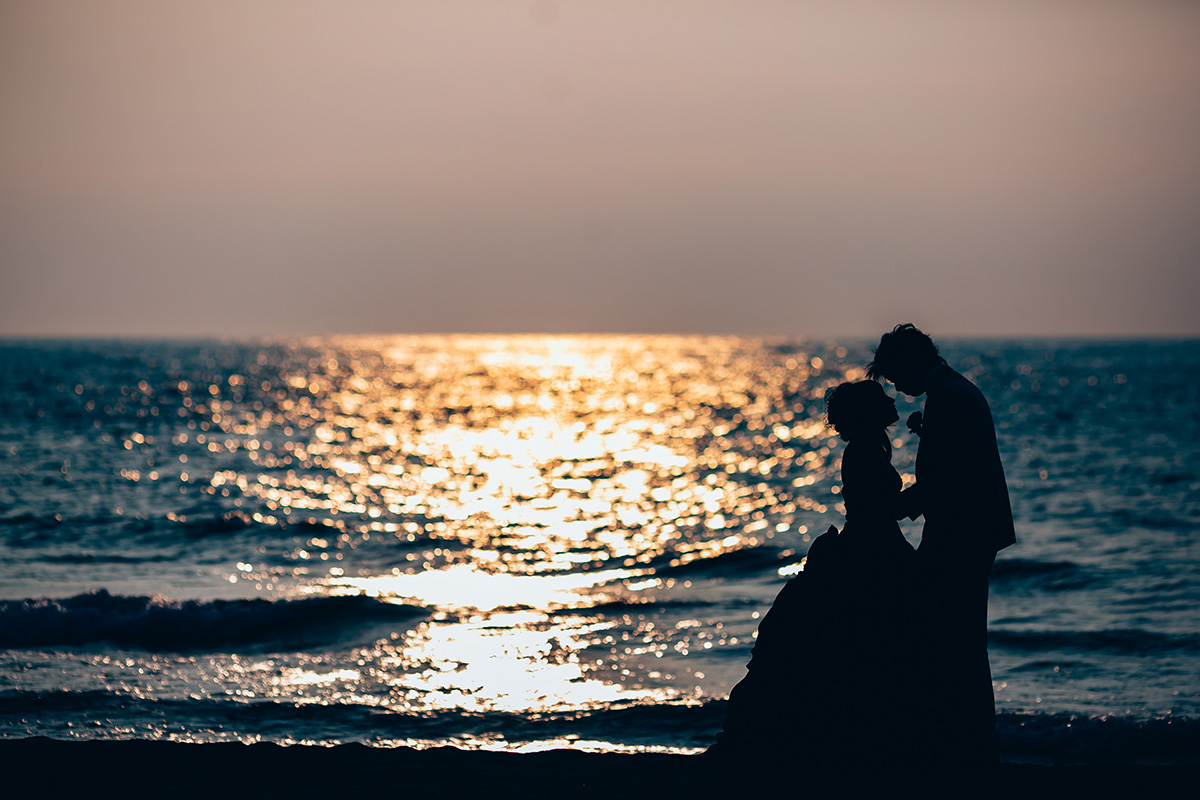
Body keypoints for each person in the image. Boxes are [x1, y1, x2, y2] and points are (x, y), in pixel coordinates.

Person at [710, 380, 917, 778]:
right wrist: (933, 486)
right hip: (872, 552)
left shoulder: (870, 448)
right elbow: (884, 510)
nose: (892, 400)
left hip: (869, 547)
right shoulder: (863, 452)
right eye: (882, 399)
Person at [867, 323, 1016, 775]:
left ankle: (969, 745)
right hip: (968, 532)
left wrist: (895, 506)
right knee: (959, 637)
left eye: (893, 374)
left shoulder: (949, 398)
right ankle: (968, 740)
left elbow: (945, 480)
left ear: (912, 361)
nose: (894, 386)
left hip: (961, 536)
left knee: (956, 639)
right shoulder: (954, 392)